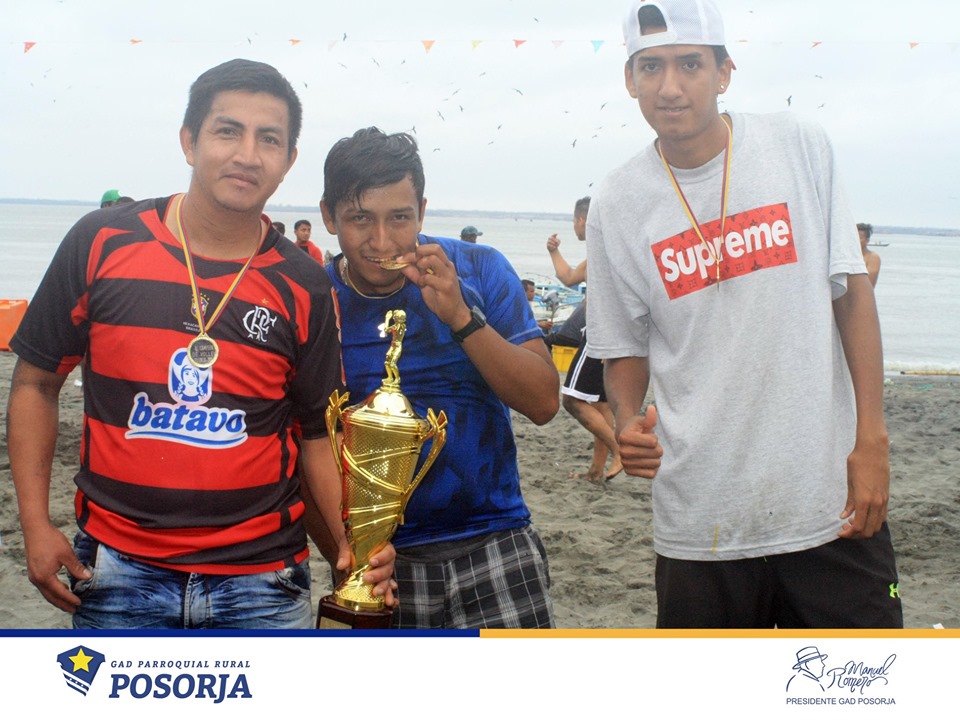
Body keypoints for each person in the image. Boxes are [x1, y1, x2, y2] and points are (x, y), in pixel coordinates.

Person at [6, 58, 394, 630]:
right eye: (227, 131)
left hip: (263, 584)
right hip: (117, 573)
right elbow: (36, 383)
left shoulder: (305, 284)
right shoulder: (101, 242)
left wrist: (355, 546)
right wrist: (35, 525)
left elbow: (317, 435)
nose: (247, 154)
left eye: (269, 139)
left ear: (288, 161)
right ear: (189, 141)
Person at [586, 0, 901, 628]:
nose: (669, 86)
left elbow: (851, 295)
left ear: (725, 72)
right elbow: (624, 346)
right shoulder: (617, 200)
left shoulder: (798, 146)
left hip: (827, 501)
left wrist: (872, 440)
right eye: (650, 67)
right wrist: (626, 421)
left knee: (865, 678)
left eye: (690, 64)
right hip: (700, 519)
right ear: (629, 79)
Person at [318, 127, 559, 629]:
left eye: (399, 218)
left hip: (496, 537)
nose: (382, 240)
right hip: (379, 561)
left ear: (422, 211)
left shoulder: (479, 268)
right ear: (328, 216)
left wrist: (461, 318)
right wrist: (347, 556)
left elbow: (542, 403)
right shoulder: (314, 300)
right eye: (360, 218)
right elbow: (300, 442)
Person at [548, 196, 621, 484]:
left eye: (573, 221)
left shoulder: (604, 255)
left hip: (600, 335)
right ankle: (596, 472)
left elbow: (616, 298)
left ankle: (619, 451)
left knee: (572, 400)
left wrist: (608, 341)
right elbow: (568, 277)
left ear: (582, 220)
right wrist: (553, 251)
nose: (574, 226)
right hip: (608, 336)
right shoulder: (605, 250)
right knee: (601, 405)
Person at [857, 222, 881, 287]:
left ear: (867, 240)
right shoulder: (845, 256)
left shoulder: (873, 257)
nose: (856, 241)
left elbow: (869, 284)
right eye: (853, 238)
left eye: (859, 238)